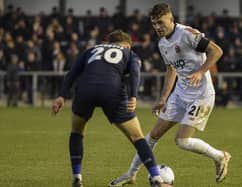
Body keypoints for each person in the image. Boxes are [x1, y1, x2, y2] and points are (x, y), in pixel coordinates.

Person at [110, 3, 231, 186]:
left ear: (171, 19)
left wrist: (200, 71)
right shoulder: (162, 43)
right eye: (154, 24)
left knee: (182, 141)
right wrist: (164, 98)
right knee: (152, 136)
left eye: (160, 22)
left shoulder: (188, 34)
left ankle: (220, 157)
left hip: (201, 95)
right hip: (180, 93)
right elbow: (171, 70)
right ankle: (130, 174)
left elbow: (217, 51)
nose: (158, 27)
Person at [52, 30, 169, 187]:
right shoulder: (129, 53)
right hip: (112, 91)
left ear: (108, 42)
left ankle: (77, 176)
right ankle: (156, 178)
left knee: (77, 132)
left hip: (85, 89)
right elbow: (135, 71)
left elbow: (72, 73)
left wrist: (62, 96)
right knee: (137, 137)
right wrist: (133, 95)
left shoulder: (91, 50)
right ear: (127, 45)